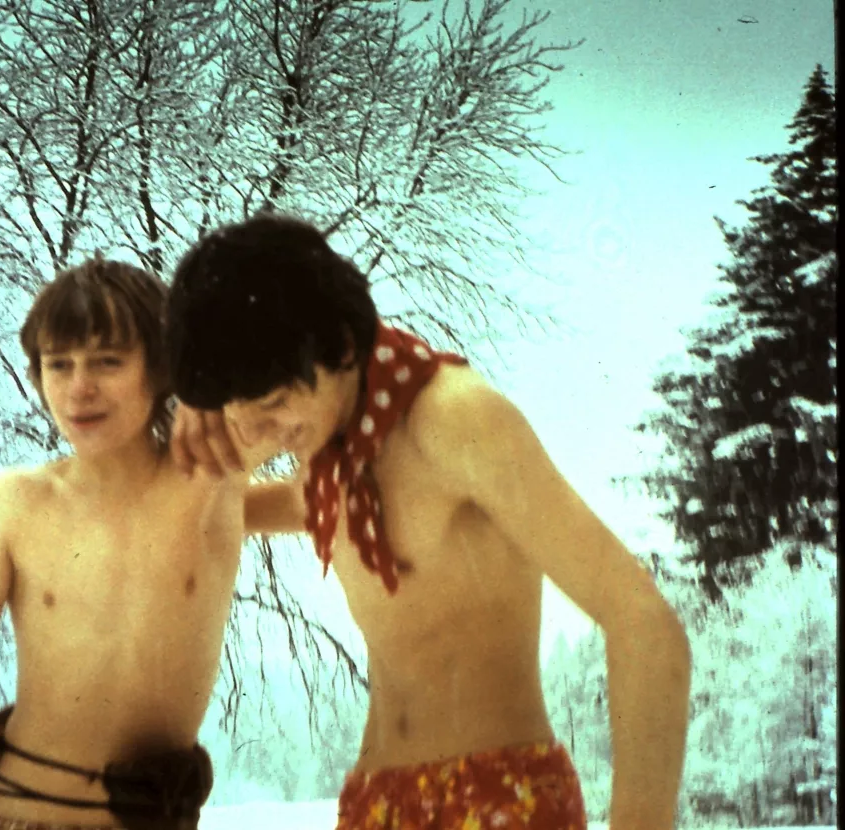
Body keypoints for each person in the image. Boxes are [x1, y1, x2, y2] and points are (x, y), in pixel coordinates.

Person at [165, 214, 692, 830]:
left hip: (493, 795)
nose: (258, 431)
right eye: (238, 410)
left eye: (274, 405)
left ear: (340, 348)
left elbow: (644, 623)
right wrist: (215, 456)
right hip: (374, 800)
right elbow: (263, 512)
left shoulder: (455, 417)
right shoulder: (333, 447)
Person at [0, 258, 272, 830]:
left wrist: (204, 375)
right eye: (58, 364)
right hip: (6, 817)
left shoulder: (212, 483)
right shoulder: (15, 502)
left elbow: (316, 368)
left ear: (160, 367)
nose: (79, 388)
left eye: (107, 361)